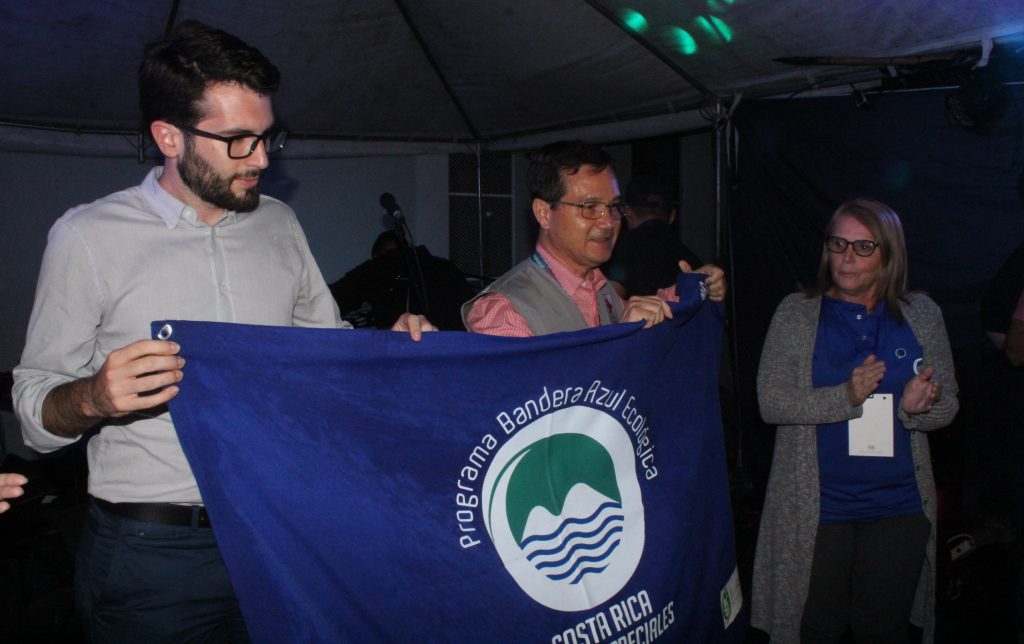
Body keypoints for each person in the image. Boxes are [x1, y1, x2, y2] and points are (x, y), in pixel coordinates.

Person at [12, 21, 432, 642]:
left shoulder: (279, 223)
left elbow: (326, 353)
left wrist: (387, 348)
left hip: (282, 531)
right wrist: (93, 397)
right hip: (155, 555)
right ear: (168, 137)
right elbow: (31, 414)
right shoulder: (87, 237)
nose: (261, 159)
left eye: (267, 138)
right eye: (238, 141)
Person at [751, 197, 958, 644]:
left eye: (863, 247)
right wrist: (846, 396)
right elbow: (771, 402)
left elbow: (948, 406)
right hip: (817, 510)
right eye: (838, 243)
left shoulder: (921, 315)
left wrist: (915, 406)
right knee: (815, 630)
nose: (846, 257)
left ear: (889, 253)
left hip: (897, 510)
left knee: (882, 632)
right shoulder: (796, 313)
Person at [462, 141, 725, 337]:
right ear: (544, 213)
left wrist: (696, 288)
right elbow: (533, 405)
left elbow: (644, 312)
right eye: (589, 208)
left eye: (613, 207)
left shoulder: (601, 288)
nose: (608, 222)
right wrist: (622, 339)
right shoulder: (504, 310)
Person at [330, 230, 476, 330]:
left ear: (377, 255)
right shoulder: (445, 267)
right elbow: (475, 311)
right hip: (456, 353)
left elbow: (330, 300)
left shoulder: (376, 269)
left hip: (405, 355)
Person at [602, 175, 703, 298]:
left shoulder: (619, 249)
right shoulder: (692, 260)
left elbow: (610, 304)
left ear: (627, 212)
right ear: (672, 215)